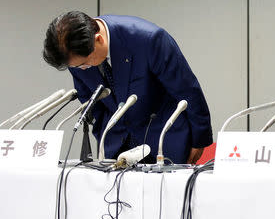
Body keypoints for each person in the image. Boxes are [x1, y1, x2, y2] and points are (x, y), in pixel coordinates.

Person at [43, 11, 213, 164]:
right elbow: (92, 104)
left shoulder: (148, 39)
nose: (82, 69)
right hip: (118, 149)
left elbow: (187, 91)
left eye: (84, 64)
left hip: (163, 140)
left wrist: (199, 140)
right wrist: (106, 136)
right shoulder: (76, 57)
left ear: (98, 39)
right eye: (77, 66)